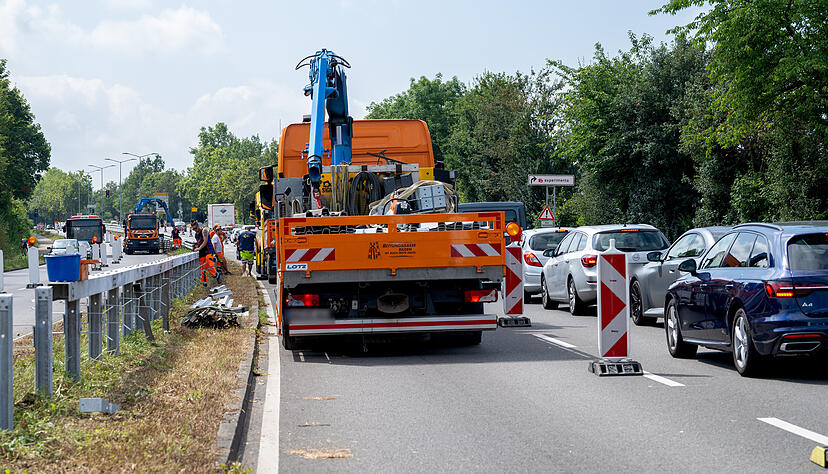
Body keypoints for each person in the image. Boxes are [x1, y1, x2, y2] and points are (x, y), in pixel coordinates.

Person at [192, 221, 220, 286]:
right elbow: (199, 243)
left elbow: (205, 241)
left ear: (198, 226)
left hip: (208, 251)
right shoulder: (196, 235)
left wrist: (198, 248)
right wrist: (196, 246)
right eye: (193, 229)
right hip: (201, 253)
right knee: (202, 268)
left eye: (196, 228)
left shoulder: (204, 231)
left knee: (209, 264)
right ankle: (204, 282)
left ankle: (216, 275)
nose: (195, 230)